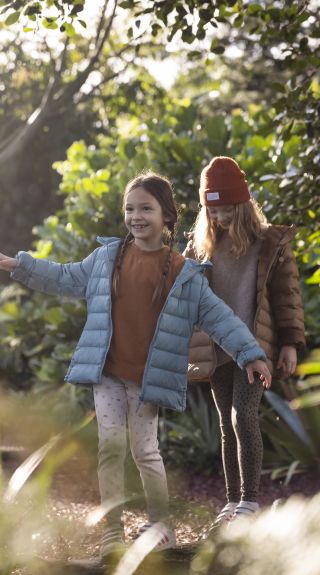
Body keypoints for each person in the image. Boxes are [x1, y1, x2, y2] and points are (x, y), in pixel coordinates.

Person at [0, 171, 271, 558]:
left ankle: (162, 528)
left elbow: (220, 318)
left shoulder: (182, 273)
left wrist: (251, 354)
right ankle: (112, 532)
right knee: (111, 449)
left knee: (145, 452)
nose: (136, 215)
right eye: (130, 208)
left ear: (167, 216)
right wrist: (18, 265)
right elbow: (65, 277)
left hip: (146, 381)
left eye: (146, 208)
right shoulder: (107, 259)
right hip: (107, 376)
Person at [184, 156, 305, 527]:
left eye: (226, 210)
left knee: (243, 416)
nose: (219, 218)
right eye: (212, 211)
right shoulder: (201, 248)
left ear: (243, 206)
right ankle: (232, 501)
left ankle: (250, 502)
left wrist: (289, 344)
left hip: (256, 349)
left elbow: (287, 297)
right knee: (226, 423)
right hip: (217, 348)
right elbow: (182, 294)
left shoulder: (269, 243)